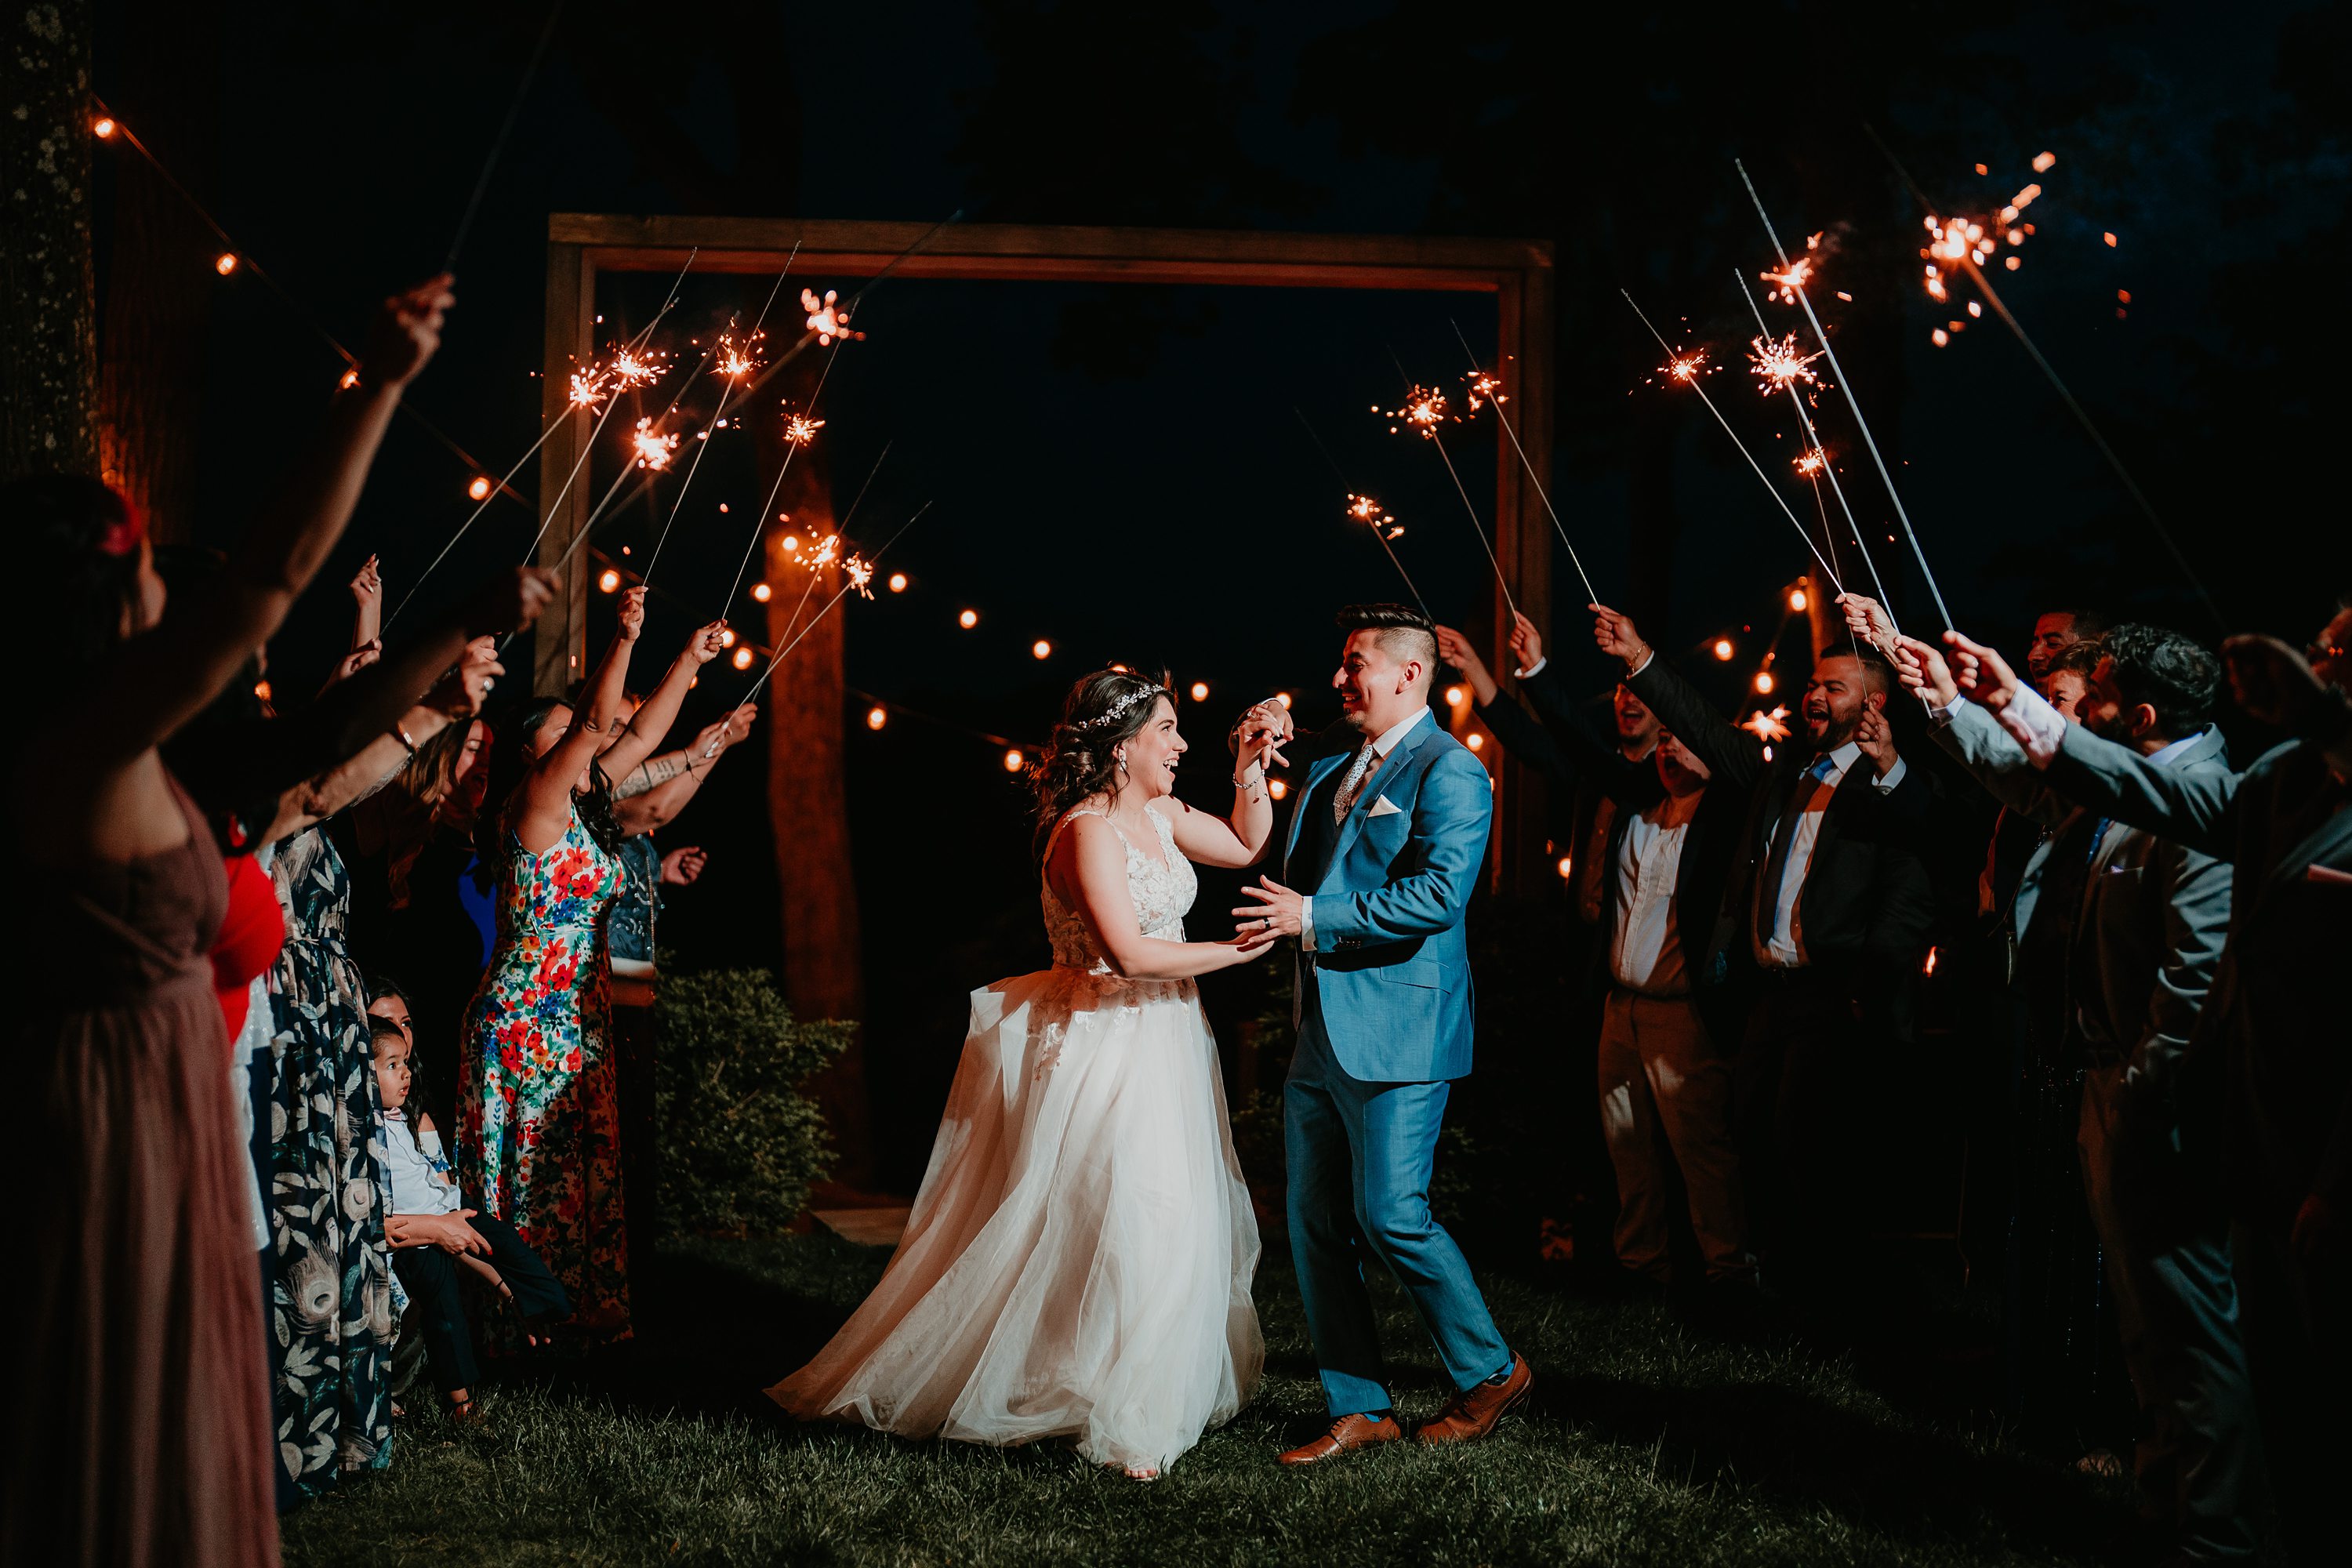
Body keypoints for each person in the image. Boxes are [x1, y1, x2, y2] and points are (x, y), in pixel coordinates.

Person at [2, 274, 452, 1568]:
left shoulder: (110, 747)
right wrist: (380, 386)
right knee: (106, 1399)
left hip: (164, 1101)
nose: (166, 587)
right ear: (100, 597)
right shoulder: (82, 743)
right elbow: (272, 573)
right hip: (106, 1111)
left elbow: (308, 728)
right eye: (143, 565)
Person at [770, 671, 1283, 1480]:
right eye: (1171, 729)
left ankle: (1129, 1391)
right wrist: (1237, 950)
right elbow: (1129, 953)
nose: (1184, 744)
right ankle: (1104, 1410)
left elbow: (1248, 843)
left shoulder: (1162, 815)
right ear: (1124, 747)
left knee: (1170, 1213)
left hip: (1165, 1036)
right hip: (1096, 1041)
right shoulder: (1085, 834)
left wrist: (1253, 762)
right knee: (1110, 1214)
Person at [1933, 602, 2352, 1567]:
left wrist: (2144, 1097)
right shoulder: (2283, 778)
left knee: (2237, 1365)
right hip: (2202, 1112)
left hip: (2276, 1126)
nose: (2319, 662)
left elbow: (2197, 972)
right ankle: (2180, 1522)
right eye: (2320, 648)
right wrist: (2007, 710)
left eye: (2337, 653)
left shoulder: (2303, 777)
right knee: (2180, 1344)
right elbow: (2141, 795)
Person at [1867, 603, 2259, 1560]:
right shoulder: (2128, 783)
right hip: (2099, 1080)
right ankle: (2162, 1504)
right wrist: (1948, 702)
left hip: (2155, 1102)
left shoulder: (2202, 799)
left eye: (2108, 695)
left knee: (2190, 1329)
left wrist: (2139, 1100)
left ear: (2148, 718)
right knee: (2144, 1321)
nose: (2086, 711)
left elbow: (2195, 982)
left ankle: (2217, 1535)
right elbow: (2021, 775)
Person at [1227, 604, 1530, 1466]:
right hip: (1319, 1027)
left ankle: (1492, 1368)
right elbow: (1284, 807)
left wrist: (1313, 915)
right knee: (1313, 1218)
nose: (1338, 677)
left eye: (1355, 662)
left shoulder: (1454, 772)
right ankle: (1359, 1404)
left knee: (1391, 1212)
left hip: (1401, 1025)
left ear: (1409, 673)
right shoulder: (1332, 763)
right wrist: (1262, 739)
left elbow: (1438, 896)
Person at [1588, 602, 1935, 1302]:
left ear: (1874, 700)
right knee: (1753, 1140)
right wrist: (1639, 656)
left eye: (1832, 688)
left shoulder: (1886, 777)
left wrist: (1890, 762)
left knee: (1810, 1150)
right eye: (1812, 685)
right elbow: (1709, 729)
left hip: (1833, 993)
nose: (1812, 696)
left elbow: (1928, 838)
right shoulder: (1780, 776)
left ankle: (1825, 1305)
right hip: (1767, 994)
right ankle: (1768, 1292)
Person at [1437, 617, 1751, 1299]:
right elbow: (1563, 744)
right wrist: (1534, 675)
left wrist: (1637, 655)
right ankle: (1642, 1268)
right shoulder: (1639, 798)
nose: (1670, 751)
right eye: (1664, 742)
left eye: (1682, 740)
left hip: (1682, 1013)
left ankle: (1727, 1275)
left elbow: (1723, 753)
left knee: (1700, 1151)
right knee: (1626, 1144)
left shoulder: (1728, 816)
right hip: (1617, 1002)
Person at [458, 589, 725, 1346]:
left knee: (574, 1168)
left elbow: (639, 730)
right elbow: (601, 722)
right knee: (535, 1169)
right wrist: (626, 635)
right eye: (564, 735)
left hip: (579, 1012)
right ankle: (521, 1320)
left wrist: (689, 660)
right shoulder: (536, 802)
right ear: (535, 750)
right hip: (527, 1016)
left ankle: (577, 1313)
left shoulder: (584, 800)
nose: (588, 746)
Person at [372, 1018, 570, 1420]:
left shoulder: (405, 1119)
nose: (406, 1072)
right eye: (393, 1064)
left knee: (505, 1242)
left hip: (448, 1210)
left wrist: (509, 1292)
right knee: (445, 1314)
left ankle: (547, 1304)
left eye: (406, 1061)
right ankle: (459, 1403)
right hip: (412, 1236)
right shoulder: (365, 1129)